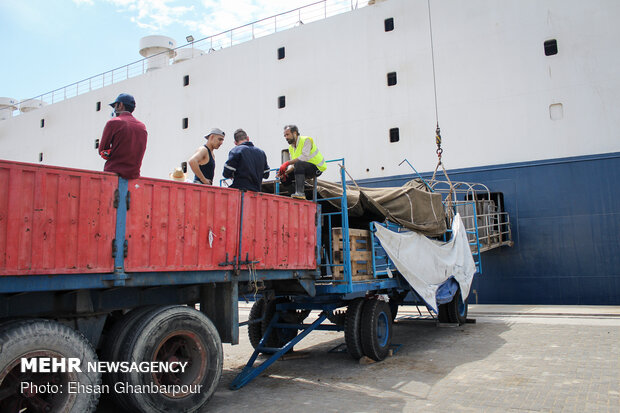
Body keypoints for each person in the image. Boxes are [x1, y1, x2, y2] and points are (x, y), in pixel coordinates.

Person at [98, 93, 147, 179]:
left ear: (120, 105)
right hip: (133, 176)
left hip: (113, 175)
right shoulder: (142, 127)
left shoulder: (113, 123)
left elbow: (102, 151)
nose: (114, 109)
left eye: (115, 106)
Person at [276, 124, 326, 199]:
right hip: (303, 167)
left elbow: (304, 157)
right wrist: (285, 173)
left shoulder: (306, 140)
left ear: (295, 133)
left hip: (317, 167)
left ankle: (300, 193)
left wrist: (287, 163)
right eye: (285, 136)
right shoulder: (291, 148)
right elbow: (293, 165)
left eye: (287, 135)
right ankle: (295, 197)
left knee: (299, 164)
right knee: (284, 177)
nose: (286, 137)